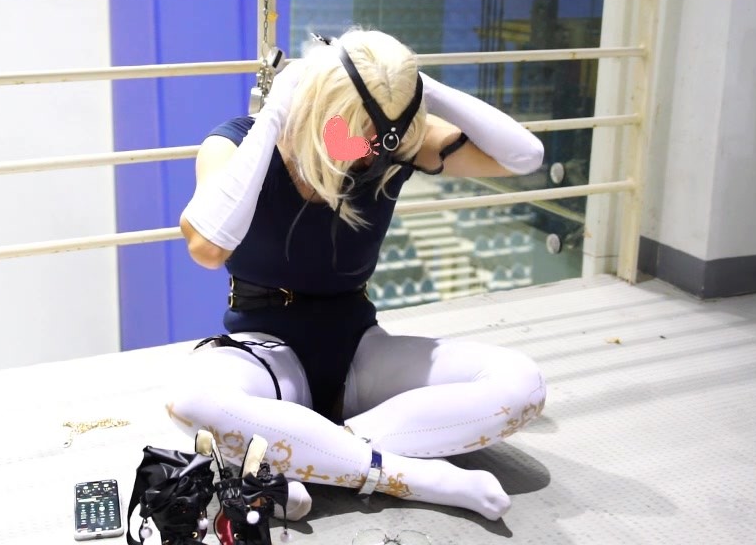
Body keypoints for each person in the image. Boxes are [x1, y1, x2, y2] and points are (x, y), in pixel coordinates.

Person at [165, 28, 547, 523]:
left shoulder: (392, 142)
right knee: (192, 400)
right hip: (266, 357)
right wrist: (278, 110)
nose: (368, 154)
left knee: (522, 384)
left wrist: (414, 88)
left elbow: (525, 156)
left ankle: (308, 457)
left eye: (379, 138)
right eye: (356, 134)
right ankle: (408, 477)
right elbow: (207, 248)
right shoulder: (234, 144)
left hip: (361, 353)